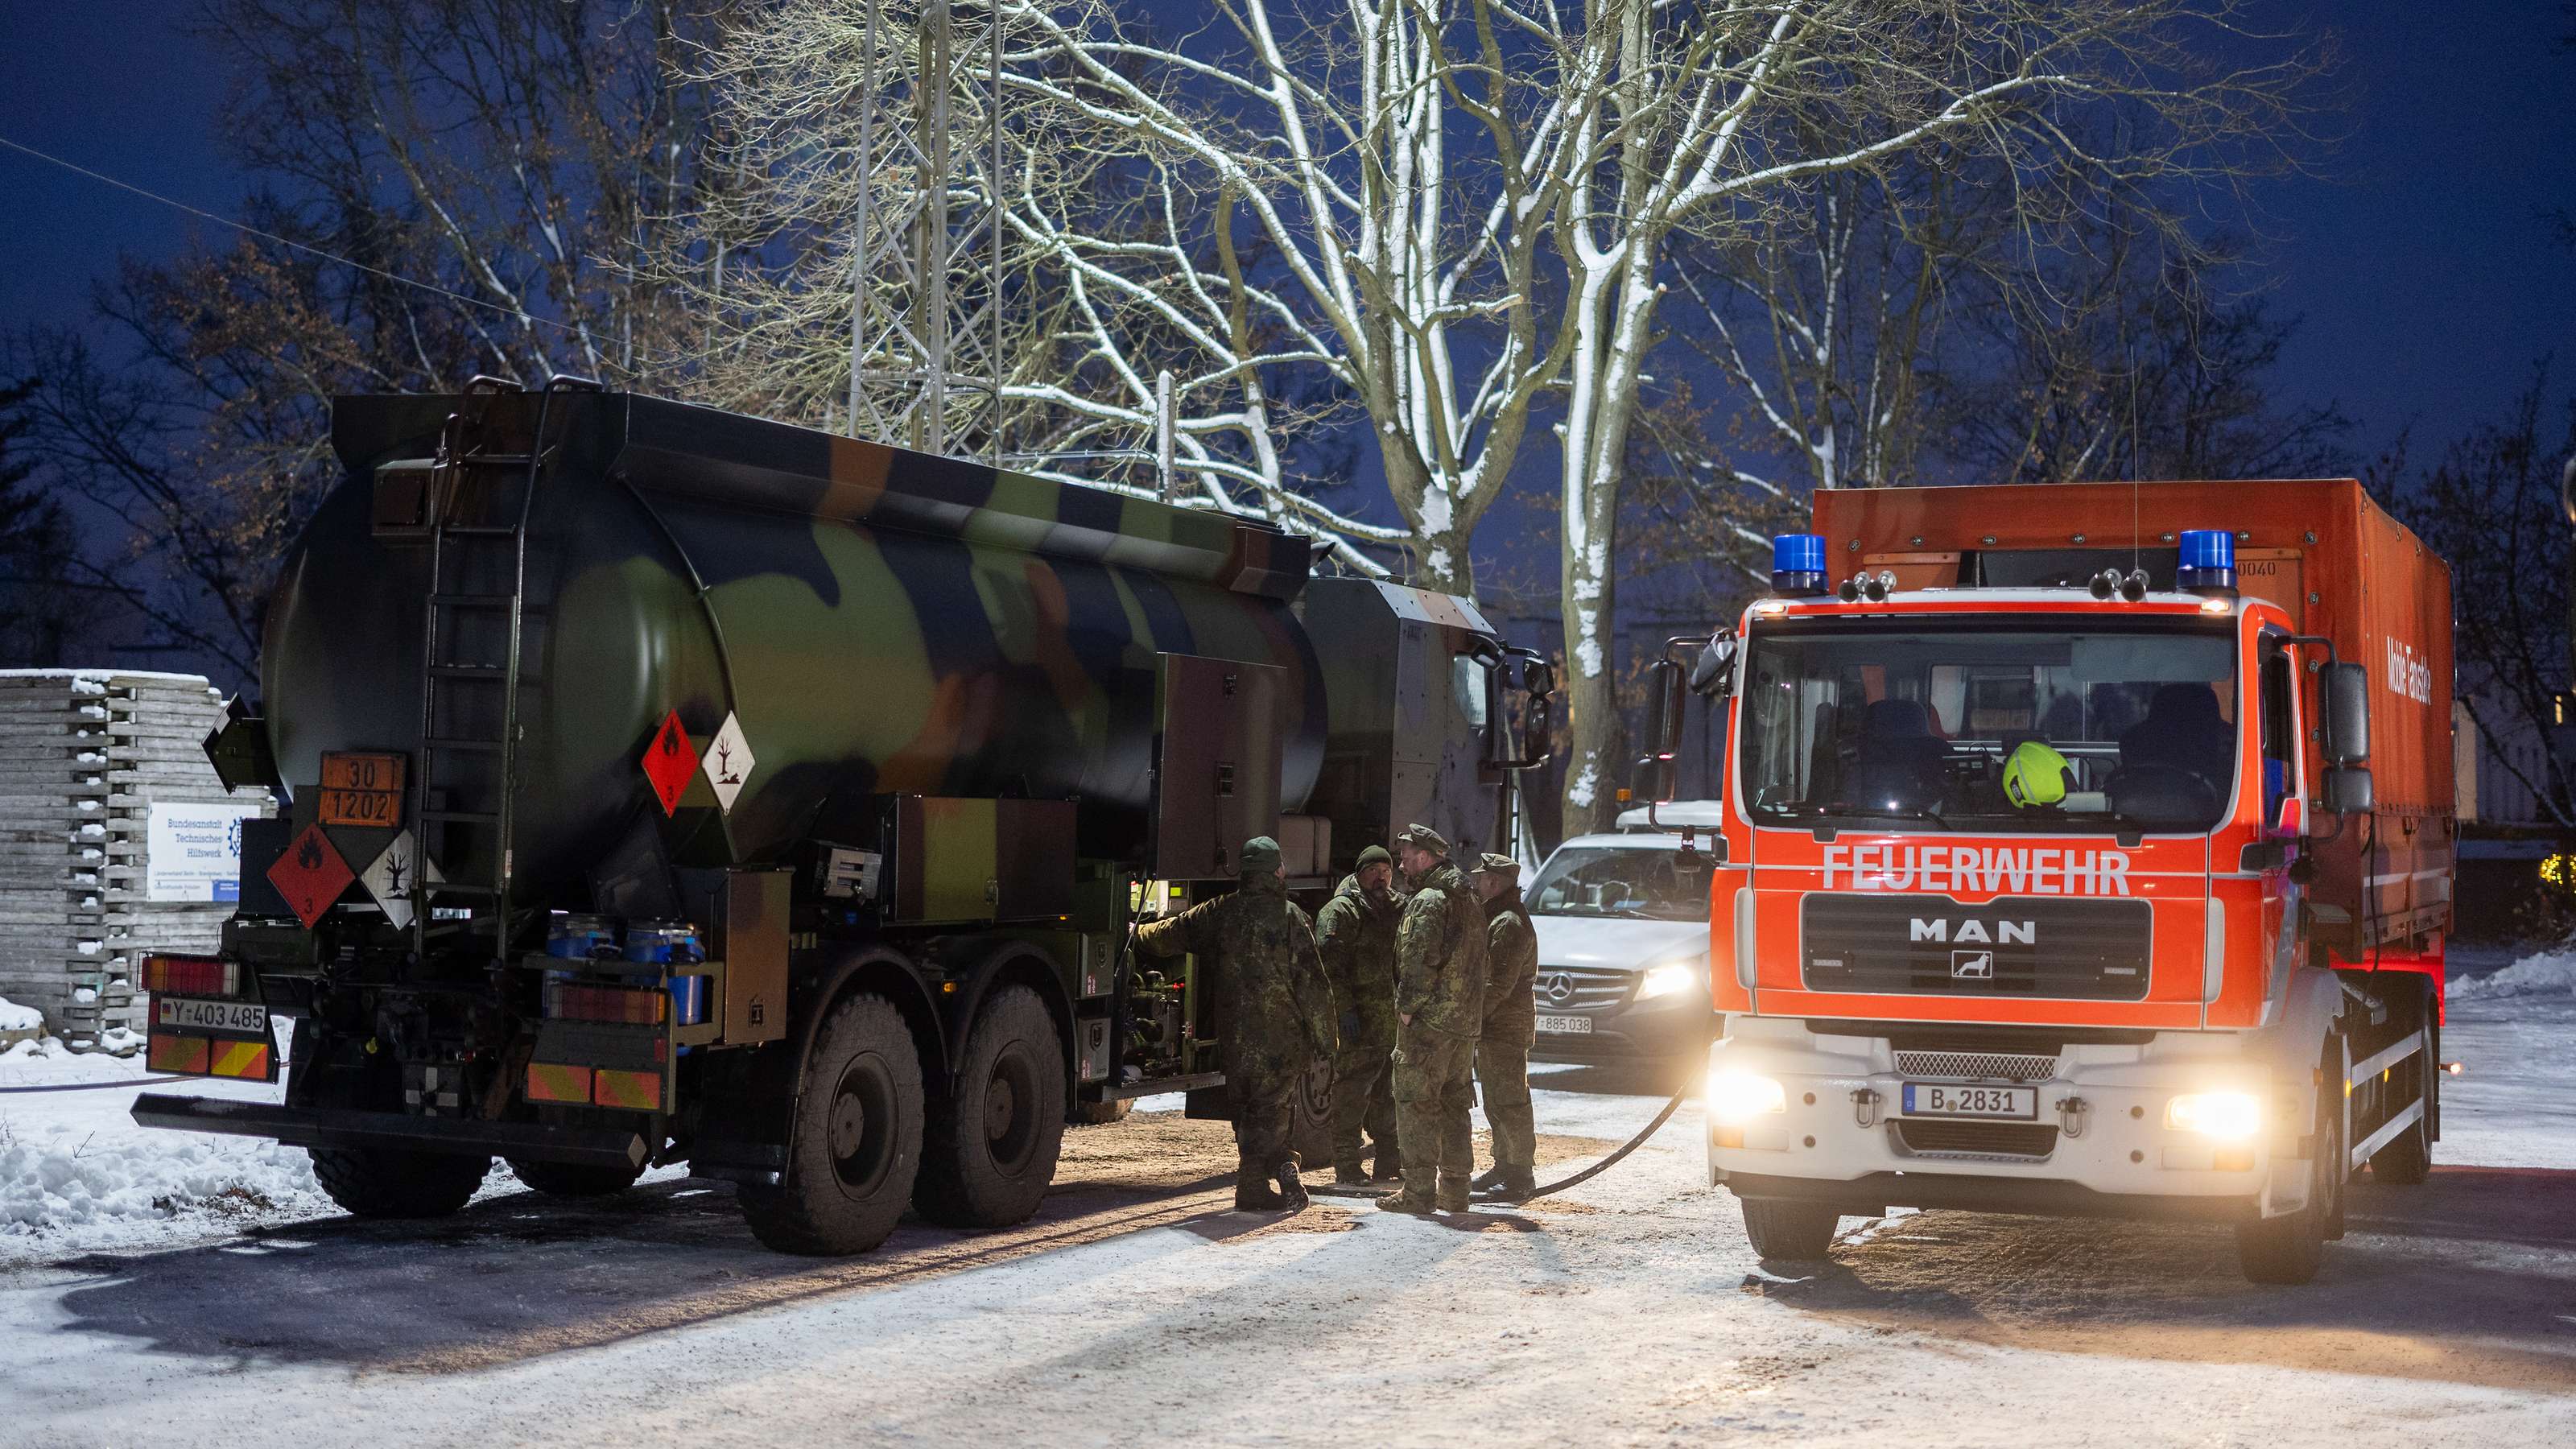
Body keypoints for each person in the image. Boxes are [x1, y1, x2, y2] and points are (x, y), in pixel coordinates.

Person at [1133, 835, 1336, 1211]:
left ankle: (1273, 1169)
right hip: (1281, 1038)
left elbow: (1171, 934)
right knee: (1271, 1111)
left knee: (1246, 1111)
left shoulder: (1221, 912)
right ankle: (1256, 1183)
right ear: (1277, 871)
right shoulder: (1292, 918)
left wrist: (1134, 933)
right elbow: (1313, 985)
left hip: (1237, 1038)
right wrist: (1327, 1041)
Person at [1381, 823, 1488, 1216]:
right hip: (1464, 1022)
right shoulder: (1468, 896)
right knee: (1455, 1102)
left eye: (1407, 855)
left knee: (1416, 1103)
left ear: (1425, 857)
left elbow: (1417, 958)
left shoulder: (1429, 899)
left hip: (1430, 1022)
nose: (1402, 862)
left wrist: (1407, 1008)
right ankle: (1456, 1190)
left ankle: (1419, 1192)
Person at [1315, 844, 1402, 1186]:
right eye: (1374, 871)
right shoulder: (1342, 912)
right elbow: (1330, 968)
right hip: (1357, 1025)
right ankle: (1347, 1165)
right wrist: (1345, 1009)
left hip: (1389, 1025)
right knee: (1351, 1096)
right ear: (1360, 874)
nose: (1381, 878)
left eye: (1387, 871)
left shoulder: (1396, 909)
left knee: (1387, 1096)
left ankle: (1389, 1161)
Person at [1470, 852, 1538, 1201]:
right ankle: (1505, 1165)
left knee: (1509, 1100)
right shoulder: (1499, 916)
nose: (1478, 883)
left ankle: (1519, 1174)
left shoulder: (1508, 923)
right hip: (1498, 1025)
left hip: (1504, 1027)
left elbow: (1498, 985)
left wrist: (1472, 1019)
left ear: (1494, 882)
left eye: (1482, 878)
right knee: (1497, 1100)